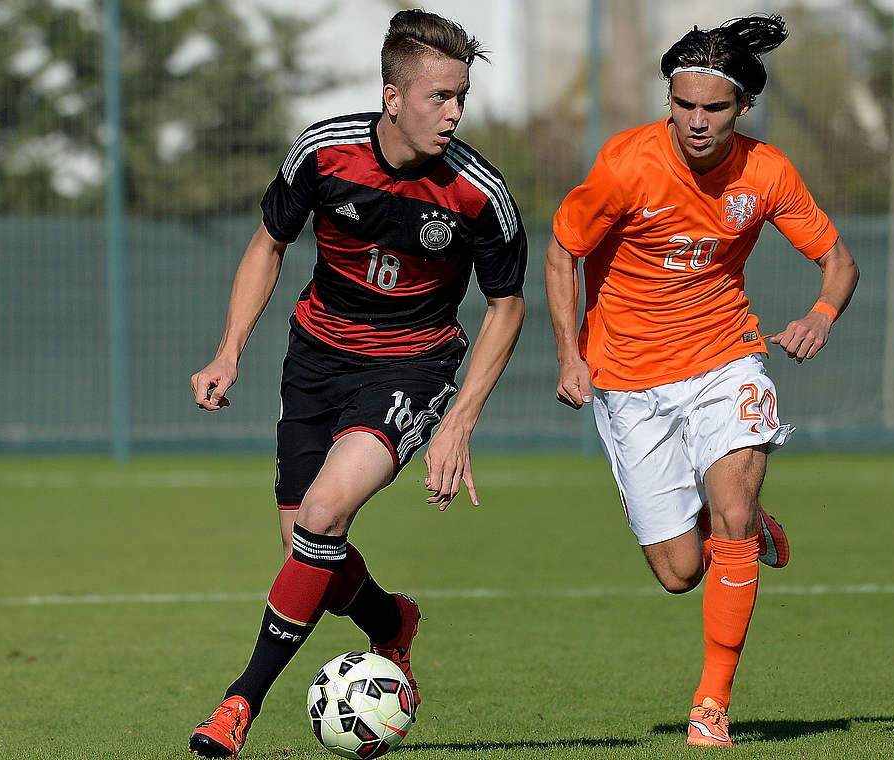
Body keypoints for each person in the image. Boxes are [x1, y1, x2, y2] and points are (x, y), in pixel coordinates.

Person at [186, 9, 526, 757]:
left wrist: (460, 420)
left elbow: (507, 307)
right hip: (315, 359)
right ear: (392, 96)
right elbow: (268, 243)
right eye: (440, 96)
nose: (456, 112)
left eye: (462, 95)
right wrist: (228, 352)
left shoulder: (477, 191)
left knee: (323, 512)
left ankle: (239, 702)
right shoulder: (324, 151)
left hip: (413, 364)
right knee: (308, 546)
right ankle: (389, 622)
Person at [546, 15, 859, 747]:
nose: (694, 120)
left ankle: (711, 704)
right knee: (681, 572)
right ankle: (745, 525)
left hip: (727, 357)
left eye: (713, 108)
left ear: (743, 106)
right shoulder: (626, 164)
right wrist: (569, 354)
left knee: (730, 519)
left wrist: (820, 315)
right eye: (681, 104)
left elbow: (838, 261)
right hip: (627, 376)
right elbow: (562, 253)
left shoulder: (768, 172)